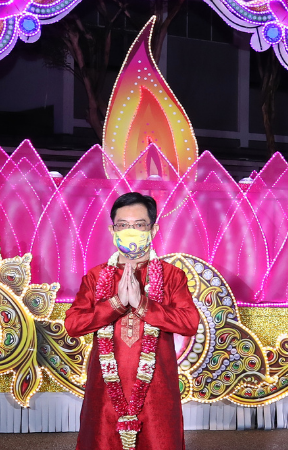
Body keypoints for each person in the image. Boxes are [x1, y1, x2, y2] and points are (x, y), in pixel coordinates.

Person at [66, 192, 200, 450]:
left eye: (139, 225)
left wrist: (143, 305)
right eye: (123, 225)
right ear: (112, 229)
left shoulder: (172, 276)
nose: (131, 231)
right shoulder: (96, 276)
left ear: (153, 229)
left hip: (156, 389)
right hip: (105, 389)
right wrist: (115, 304)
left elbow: (189, 322)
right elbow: (73, 324)